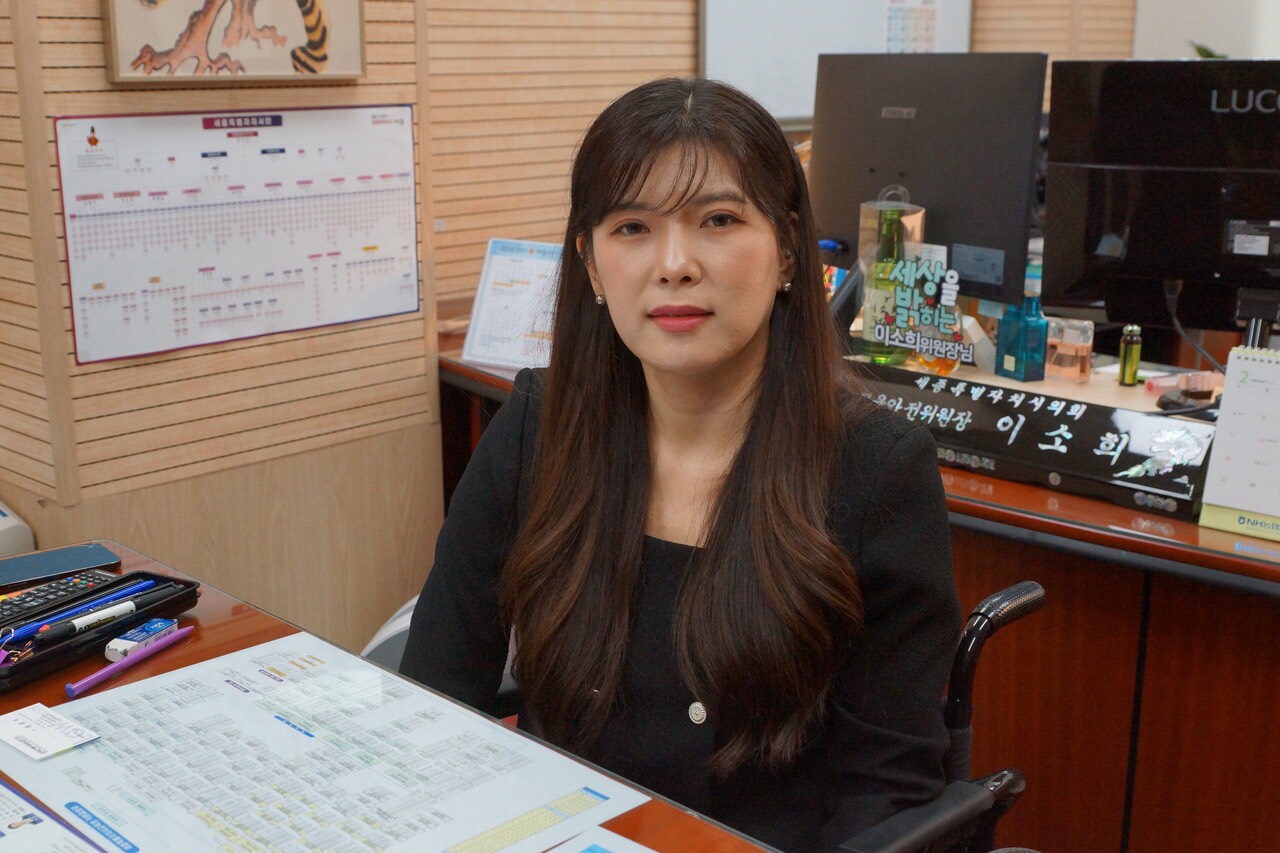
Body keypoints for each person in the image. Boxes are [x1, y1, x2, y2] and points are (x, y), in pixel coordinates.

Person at [401, 77, 961, 852]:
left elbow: (884, 798)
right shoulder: (537, 428)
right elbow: (432, 698)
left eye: (718, 220)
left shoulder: (876, 470)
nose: (673, 264)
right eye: (632, 227)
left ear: (788, 250)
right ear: (590, 264)